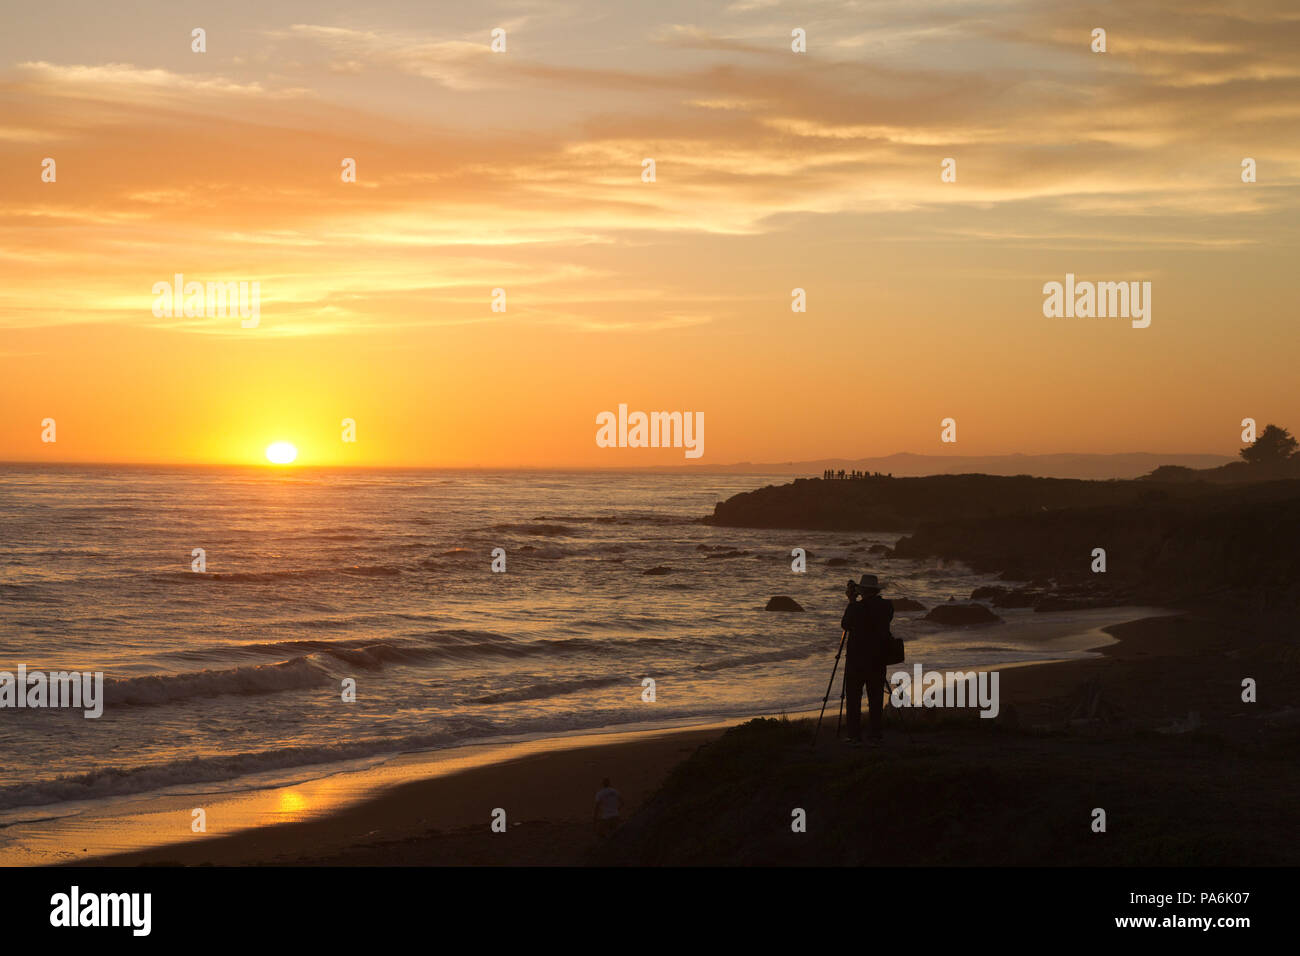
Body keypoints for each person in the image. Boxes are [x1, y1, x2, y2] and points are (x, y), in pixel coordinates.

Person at [840, 573, 894, 745]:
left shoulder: (856, 607)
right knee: (876, 697)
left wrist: (851, 601)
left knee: (854, 697)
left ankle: (854, 735)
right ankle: (875, 734)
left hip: (856, 659)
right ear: (876, 590)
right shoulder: (887, 606)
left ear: (862, 590)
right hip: (878, 657)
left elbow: (846, 624)